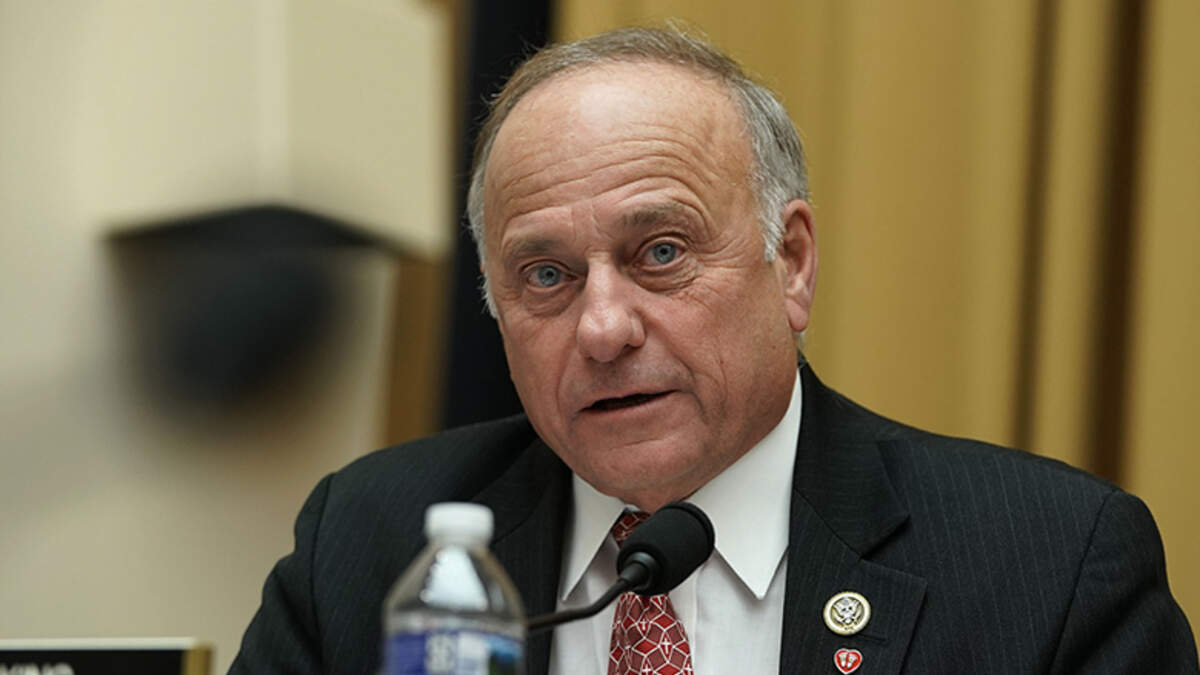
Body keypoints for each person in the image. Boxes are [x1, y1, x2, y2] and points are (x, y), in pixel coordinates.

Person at [230, 27, 1197, 674]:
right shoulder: (369, 544)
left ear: (792, 263)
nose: (603, 329)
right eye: (546, 274)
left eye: (661, 252)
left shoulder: (1050, 566)